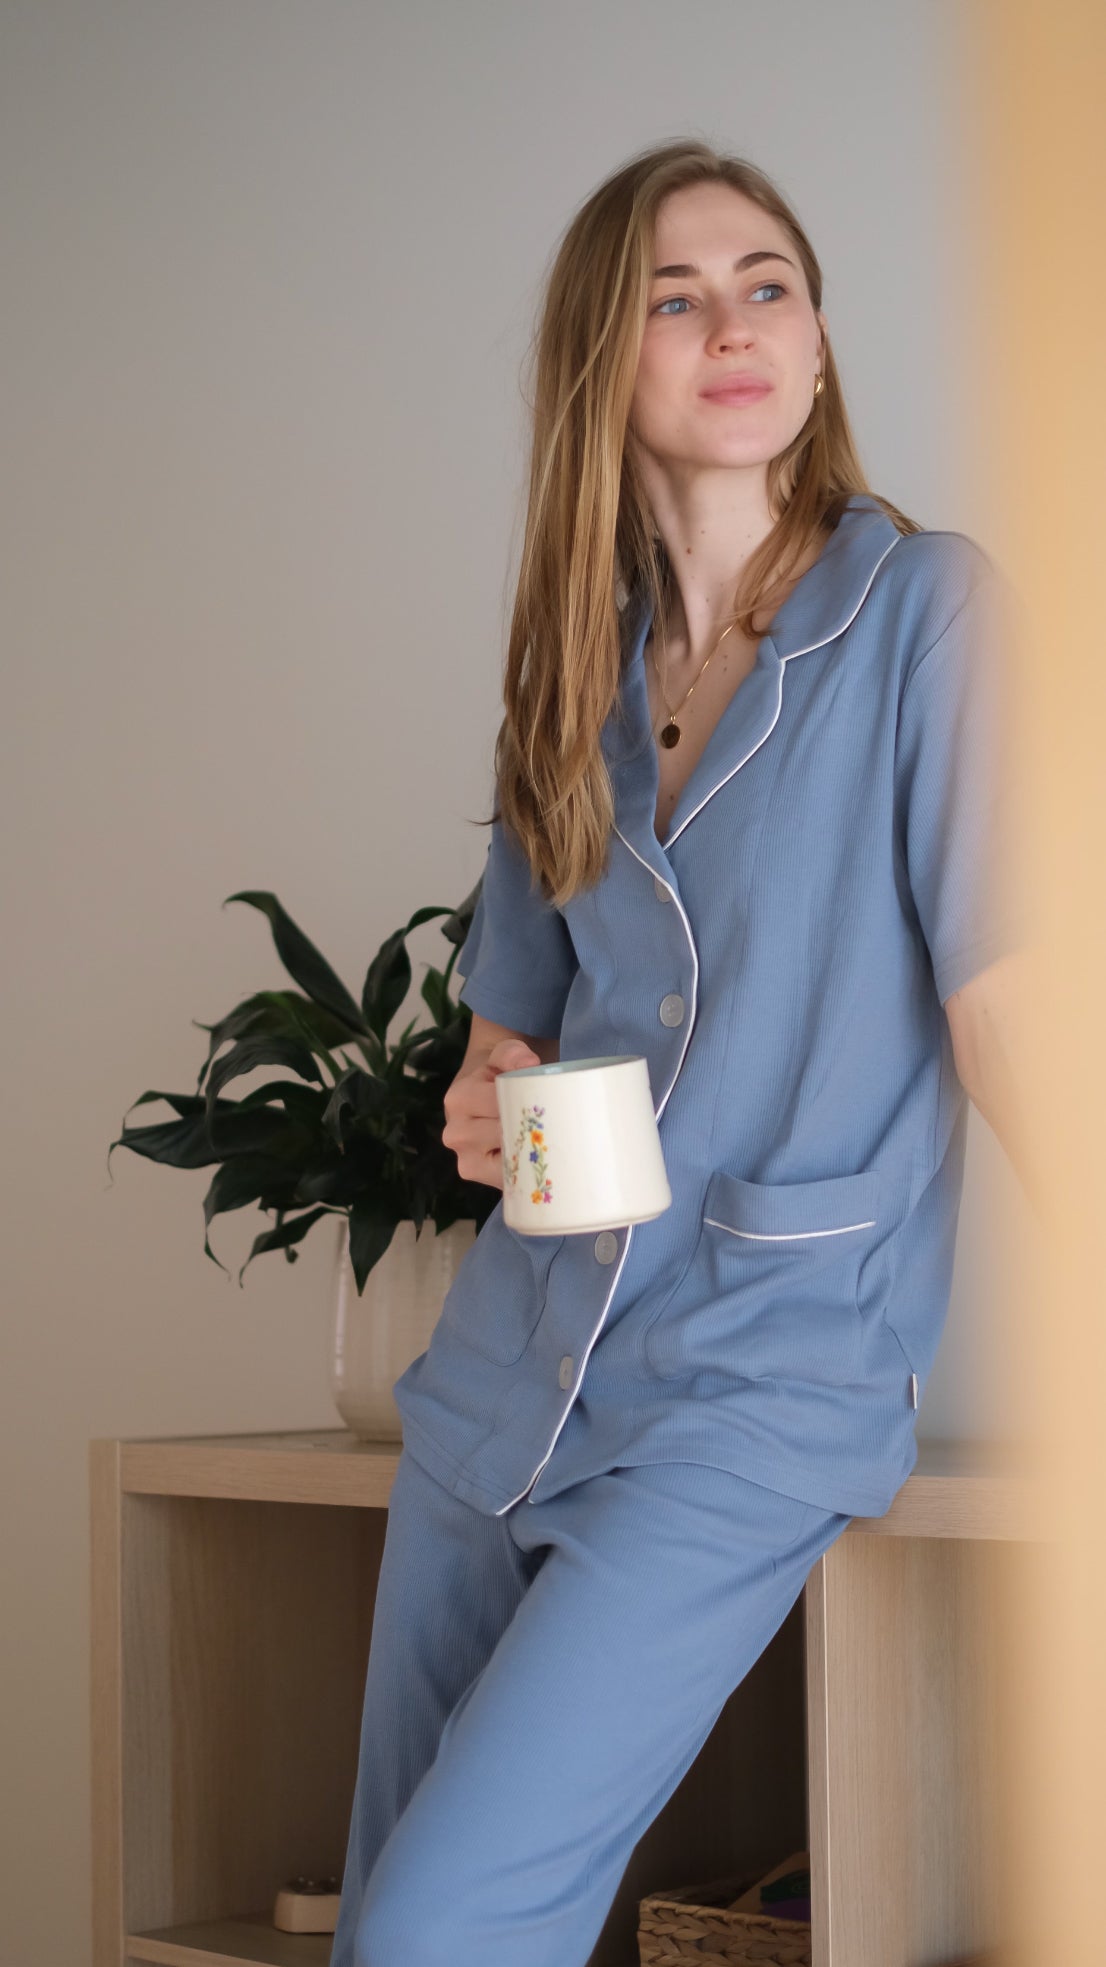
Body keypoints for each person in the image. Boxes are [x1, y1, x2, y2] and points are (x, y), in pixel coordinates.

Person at [329, 139, 1035, 1967]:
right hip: (506, 1383)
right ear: (601, 359)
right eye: (674, 297)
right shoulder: (573, 675)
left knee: (434, 1933)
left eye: (766, 285)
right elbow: (508, 1032)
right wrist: (485, 1105)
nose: (732, 324)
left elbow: (1010, 1012)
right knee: (388, 1928)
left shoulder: (927, 614)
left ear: (816, 341)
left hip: (751, 1388)